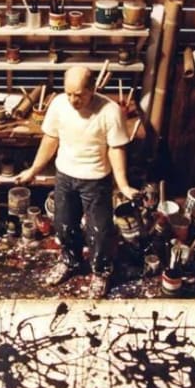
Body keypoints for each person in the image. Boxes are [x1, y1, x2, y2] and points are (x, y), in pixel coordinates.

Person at [15, 66, 140, 298]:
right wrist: (33, 170)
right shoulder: (59, 105)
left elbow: (116, 149)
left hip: (96, 179)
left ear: (93, 88)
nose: (73, 100)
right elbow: (50, 140)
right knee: (64, 224)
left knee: (100, 231)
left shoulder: (110, 111)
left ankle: (101, 272)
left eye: (79, 94)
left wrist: (122, 185)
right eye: (69, 93)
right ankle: (69, 261)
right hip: (64, 176)